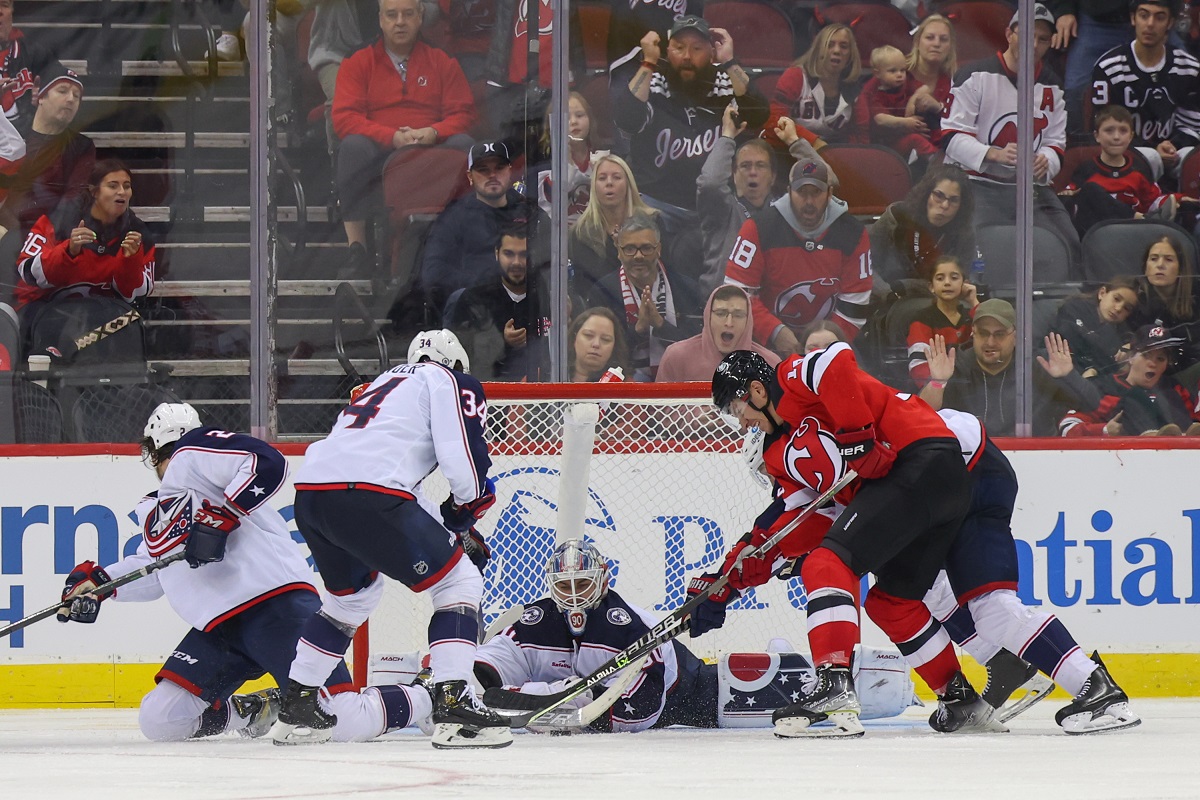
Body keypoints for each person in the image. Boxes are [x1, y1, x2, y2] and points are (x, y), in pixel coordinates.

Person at [56, 403, 435, 743]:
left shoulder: (209, 467)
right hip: (220, 630)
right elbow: (156, 570)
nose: (175, 462)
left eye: (176, 452)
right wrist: (99, 584)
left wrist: (222, 516)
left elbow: (269, 463)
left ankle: (428, 696)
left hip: (277, 611)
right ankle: (253, 711)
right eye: (168, 455)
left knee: (341, 720)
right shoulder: (162, 508)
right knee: (161, 720)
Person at [694, 346, 992, 738]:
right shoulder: (778, 455)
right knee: (892, 606)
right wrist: (724, 584)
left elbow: (836, 359)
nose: (742, 422)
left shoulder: (789, 379)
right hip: (926, 490)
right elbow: (786, 525)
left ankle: (833, 684)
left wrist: (858, 437)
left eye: (738, 409)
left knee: (825, 563)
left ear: (757, 391)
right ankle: (961, 700)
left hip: (919, 455)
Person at [271, 330, 512, 748]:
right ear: (456, 364)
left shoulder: (382, 384)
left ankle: (298, 705)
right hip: (371, 493)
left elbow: (396, 479)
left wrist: (455, 528)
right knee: (461, 583)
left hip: (312, 494)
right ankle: (453, 703)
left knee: (349, 600)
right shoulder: (451, 381)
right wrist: (467, 509)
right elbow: (464, 463)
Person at [478, 540, 917, 732]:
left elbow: (640, 712)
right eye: (564, 586)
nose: (573, 596)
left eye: (582, 584)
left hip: (684, 692)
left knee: (752, 690)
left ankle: (870, 681)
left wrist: (543, 700)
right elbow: (491, 665)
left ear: (604, 579)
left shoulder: (625, 625)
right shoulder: (538, 620)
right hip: (608, 693)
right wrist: (483, 689)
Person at [331, 0, 475, 277]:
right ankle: (357, 249)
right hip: (380, 153)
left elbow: (464, 113)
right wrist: (392, 137)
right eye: (392, 15)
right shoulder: (358, 61)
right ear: (380, 19)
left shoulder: (441, 60)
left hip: (431, 149)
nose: (400, 22)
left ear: (420, 18)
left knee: (465, 146)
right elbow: (344, 117)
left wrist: (434, 132)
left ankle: (464, 240)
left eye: (408, 14)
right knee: (352, 147)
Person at [941, 3, 1082, 275]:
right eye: (1028, 35)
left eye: (1043, 39)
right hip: (976, 184)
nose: (1035, 44)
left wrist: (1047, 160)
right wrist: (992, 153)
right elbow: (950, 136)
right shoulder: (974, 75)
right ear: (1009, 34)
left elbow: (1056, 141)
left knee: (1069, 242)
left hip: (1029, 188)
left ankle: (1063, 309)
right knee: (976, 248)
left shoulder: (1053, 84)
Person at [611, 15, 769, 214]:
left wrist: (729, 61)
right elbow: (626, 120)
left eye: (696, 48)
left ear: (712, 53)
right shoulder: (654, 80)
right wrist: (649, 62)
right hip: (657, 204)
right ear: (667, 51)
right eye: (679, 47)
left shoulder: (725, 81)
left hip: (715, 205)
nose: (687, 56)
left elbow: (758, 115)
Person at [724, 156, 873, 354]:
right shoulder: (758, 228)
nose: (809, 201)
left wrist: (825, 344)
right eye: (802, 192)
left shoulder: (853, 234)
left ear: (829, 194)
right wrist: (774, 332)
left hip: (831, 345)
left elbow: (856, 302)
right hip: (764, 343)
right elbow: (737, 293)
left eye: (816, 192)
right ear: (788, 192)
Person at [14, 159, 156, 344]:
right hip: (44, 312)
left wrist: (130, 261)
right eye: (113, 186)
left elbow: (134, 295)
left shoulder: (137, 233)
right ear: (94, 190)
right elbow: (27, 272)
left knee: (128, 326)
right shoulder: (59, 220)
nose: (122, 192)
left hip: (101, 318)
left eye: (126, 186)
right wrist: (68, 251)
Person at [920, 299, 1102, 436]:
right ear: (973, 333)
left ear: (1015, 335)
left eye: (999, 334)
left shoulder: (1040, 366)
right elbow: (921, 414)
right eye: (983, 333)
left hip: (1038, 462)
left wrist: (1067, 376)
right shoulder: (955, 366)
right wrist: (938, 382)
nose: (990, 342)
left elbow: (1091, 404)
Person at [698, 108, 831, 295]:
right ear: (734, 175)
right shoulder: (721, 209)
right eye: (745, 166)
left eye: (760, 166)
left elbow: (828, 181)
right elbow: (710, 183)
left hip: (776, 309)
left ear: (773, 176)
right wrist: (727, 136)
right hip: (727, 310)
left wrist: (794, 141)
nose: (753, 172)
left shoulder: (788, 210)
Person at [419, 141, 549, 324]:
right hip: (477, 316)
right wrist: (485, 287)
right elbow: (434, 274)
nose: (493, 175)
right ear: (470, 176)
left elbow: (552, 263)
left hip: (528, 308)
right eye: (483, 170)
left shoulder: (531, 213)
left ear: (510, 171)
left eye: (499, 167)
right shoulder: (453, 219)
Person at [1088, 0, 1200, 181]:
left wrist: (1171, 146)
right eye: (1144, 15)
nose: (1150, 24)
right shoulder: (1109, 67)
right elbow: (1104, 126)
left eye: (1159, 17)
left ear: (1170, 23)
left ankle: (1187, 207)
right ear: (1133, 18)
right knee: (1151, 157)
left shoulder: (1189, 67)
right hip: (1126, 151)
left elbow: (1193, 124)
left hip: (1174, 149)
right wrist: (1153, 149)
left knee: (1191, 157)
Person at [586, 212, 704, 381]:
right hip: (622, 389)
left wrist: (661, 326)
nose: (638, 256)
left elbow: (699, 348)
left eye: (647, 248)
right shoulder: (602, 292)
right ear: (619, 252)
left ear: (659, 249)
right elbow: (601, 355)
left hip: (679, 385)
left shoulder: (686, 288)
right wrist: (638, 330)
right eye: (630, 249)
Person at [1061, 105, 1196, 237]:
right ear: (1097, 136)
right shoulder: (1086, 169)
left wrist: (1178, 198)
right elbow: (1072, 198)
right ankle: (1139, 218)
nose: (1116, 137)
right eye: (1109, 130)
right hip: (1095, 236)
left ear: (1131, 136)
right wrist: (1068, 194)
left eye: (1123, 131)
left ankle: (1140, 220)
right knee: (1089, 190)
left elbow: (1153, 201)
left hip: (1131, 236)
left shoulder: (1139, 169)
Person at [2, 62, 94, 244]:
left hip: (51, 239)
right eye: (62, 91)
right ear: (40, 96)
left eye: (77, 96)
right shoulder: (11, 135)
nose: (71, 99)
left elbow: (72, 200)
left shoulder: (81, 146)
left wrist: (40, 239)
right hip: (6, 232)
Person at [446, 224, 551, 381]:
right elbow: (458, 357)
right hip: (488, 390)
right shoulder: (473, 299)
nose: (516, 262)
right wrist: (501, 342)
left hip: (543, 393)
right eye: (509, 254)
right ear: (497, 254)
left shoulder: (549, 295)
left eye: (523, 255)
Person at [1060, 323, 1200, 435]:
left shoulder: (1174, 389)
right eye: (1146, 355)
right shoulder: (1104, 387)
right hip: (1126, 459)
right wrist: (1104, 430)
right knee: (1136, 395)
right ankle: (1149, 435)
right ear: (1131, 358)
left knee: (1167, 395)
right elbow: (1067, 427)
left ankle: (1181, 436)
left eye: (1160, 358)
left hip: (1180, 458)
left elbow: (1195, 422)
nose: (1153, 363)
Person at [869, 164, 977, 291]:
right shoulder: (897, 217)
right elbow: (867, 267)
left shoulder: (964, 233)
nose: (944, 205)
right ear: (926, 194)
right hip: (889, 297)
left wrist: (908, 285)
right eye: (939, 195)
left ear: (961, 205)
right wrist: (886, 293)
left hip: (938, 300)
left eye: (953, 200)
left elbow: (960, 281)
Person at [569, 154, 660, 300]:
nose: (609, 183)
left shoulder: (653, 222)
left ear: (628, 184)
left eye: (617, 177)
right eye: (602, 178)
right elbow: (582, 288)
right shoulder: (581, 234)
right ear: (593, 186)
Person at [765, 23, 862, 151]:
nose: (837, 51)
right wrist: (814, 142)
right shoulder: (796, 76)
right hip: (788, 152)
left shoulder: (856, 89)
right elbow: (774, 121)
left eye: (844, 46)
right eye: (829, 44)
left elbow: (860, 136)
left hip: (832, 157)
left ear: (850, 54)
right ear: (818, 49)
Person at [655, 284, 779, 382]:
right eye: (720, 314)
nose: (729, 323)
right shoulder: (676, 357)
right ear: (708, 316)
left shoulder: (770, 364)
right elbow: (658, 411)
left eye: (738, 315)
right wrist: (695, 413)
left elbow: (780, 412)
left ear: (749, 321)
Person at [851, 45, 937, 167]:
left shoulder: (906, 83)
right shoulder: (876, 94)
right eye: (892, 71)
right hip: (887, 146)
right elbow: (880, 119)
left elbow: (925, 88)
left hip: (905, 136)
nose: (900, 75)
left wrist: (913, 99)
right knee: (915, 139)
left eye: (902, 70)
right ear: (877, 73)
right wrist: (906, 122)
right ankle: (936, 162)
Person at [535, 91, 608, 226]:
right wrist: (565, 162)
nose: (574, 122)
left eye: (580, 115)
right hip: (558, 238)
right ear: (552, 125)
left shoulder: (605, 157)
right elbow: (555, 195)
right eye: (566, 118)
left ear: (590, 120)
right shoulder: (543, 162)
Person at [905, 255, 979, 388]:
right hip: (937, 389)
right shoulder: (922, 319)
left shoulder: (970, 315)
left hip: (971, 389)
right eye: (940, 278)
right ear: (931, 286)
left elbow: (987, 335)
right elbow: (918, 367)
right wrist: (939, 386)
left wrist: (974, 302)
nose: (947, 283)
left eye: (954, 278)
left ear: (964, 284)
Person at [1127, 235, 1200, 366]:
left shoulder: (1197, 296)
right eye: (1154, 259)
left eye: (1169, 259)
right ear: (1145, 266)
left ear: (1181, 268)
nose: (1160, 265)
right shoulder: (1130, 299)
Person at [1049, 275, 1141, 376]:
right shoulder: (1074, 308)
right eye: (1116, 299)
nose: (1119, 308)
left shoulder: (1121, 336)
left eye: (1126, 308)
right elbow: (1068, 336)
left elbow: (1110, 366)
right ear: (1102, 293)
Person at [0, 0, 55, 130]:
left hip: (28, 140)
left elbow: (66, 85)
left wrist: (46, 100)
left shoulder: (34, 52)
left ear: (12, 12)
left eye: (5, 5)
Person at [905, 14, 957, 146]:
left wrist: (939, 107)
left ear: (950, 46)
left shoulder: (957, 82)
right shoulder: (896, 72)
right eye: (930, 38)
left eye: (943, 39)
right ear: (917, 42)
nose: (936, 44)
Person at [567, 306, 631, 383]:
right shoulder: (553, 375)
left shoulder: (626, 387)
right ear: (575, 338)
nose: (596, 344)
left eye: (605, 339)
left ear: (614, 347)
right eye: (588, 335)